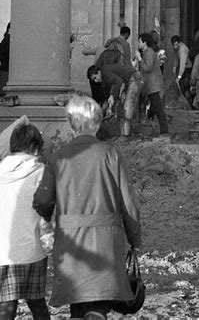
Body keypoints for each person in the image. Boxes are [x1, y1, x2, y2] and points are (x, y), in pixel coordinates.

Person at [33, 95, 142, 319]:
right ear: (97, 123)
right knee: (99, 301)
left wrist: (46, 217)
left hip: (71, 241)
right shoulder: (111, 154)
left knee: (78, 302)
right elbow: (129, 205)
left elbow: (43, 200)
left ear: (71, 124)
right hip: (106, 240)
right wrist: (135, 241)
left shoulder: (57, 157)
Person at [0, 124, 50, 319]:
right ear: (36, 148)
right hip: (33, 252)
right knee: (38, 305)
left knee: (7, 308)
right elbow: (51, 213)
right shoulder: (42, 173)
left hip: (0, 253)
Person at [87, 61, 143, 138]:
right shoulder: (104, 81)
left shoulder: (105, 72)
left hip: (135, 78)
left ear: (99, 72)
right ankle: (124, 134)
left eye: (95, 78)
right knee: (120, 109)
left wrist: (112, 96)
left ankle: (126, 136)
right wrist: (106, 109)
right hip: (127, 82)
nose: (95, 81)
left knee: (127, 107)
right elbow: (108, 97)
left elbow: (118, 81)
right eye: (93, 80)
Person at [136, 33, 169, 137]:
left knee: (158, 109)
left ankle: (164, 132)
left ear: (144, 42)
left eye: (139, 41)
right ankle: (157, 130)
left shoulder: (149, 52)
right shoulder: (147, 52)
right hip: (151, 85)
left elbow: (147, 68)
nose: (138, 43)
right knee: (155, 108)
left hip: (153, 85)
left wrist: (139, 59)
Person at [171, 35, 194, 107]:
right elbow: (176, 58)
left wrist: (179, 76)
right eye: (173, 45)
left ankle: (190, 103)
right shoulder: (177, 48)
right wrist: (174, 67)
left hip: (187, 69)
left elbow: (182, 64)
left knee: (184, 87)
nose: (175, 46)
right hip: (183, 69)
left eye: (176, 45)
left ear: (179, 43)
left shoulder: (182, 49)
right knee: (182, 86)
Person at [0, 22, 11, 97]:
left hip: (4, 66)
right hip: (6, 67)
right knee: (3, 91)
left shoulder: (6, 38)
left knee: (3, 89)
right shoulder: (8, 39)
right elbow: (1, 51)